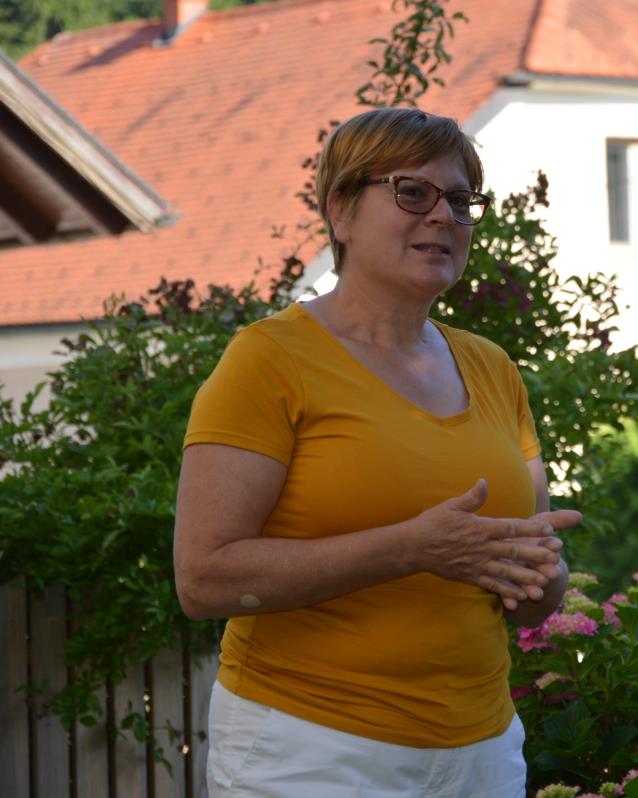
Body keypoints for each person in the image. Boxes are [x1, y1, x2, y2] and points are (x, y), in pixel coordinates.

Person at [173, 106, 580, 797]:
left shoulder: (492, 368)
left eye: (461, 200)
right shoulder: (269, 360)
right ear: (341, 211)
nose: (443, 216)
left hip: (482, 752)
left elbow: (527, 592)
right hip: (312, 752)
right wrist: (410, 549)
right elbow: (203, 579)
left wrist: (542, 573)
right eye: (412, 192)